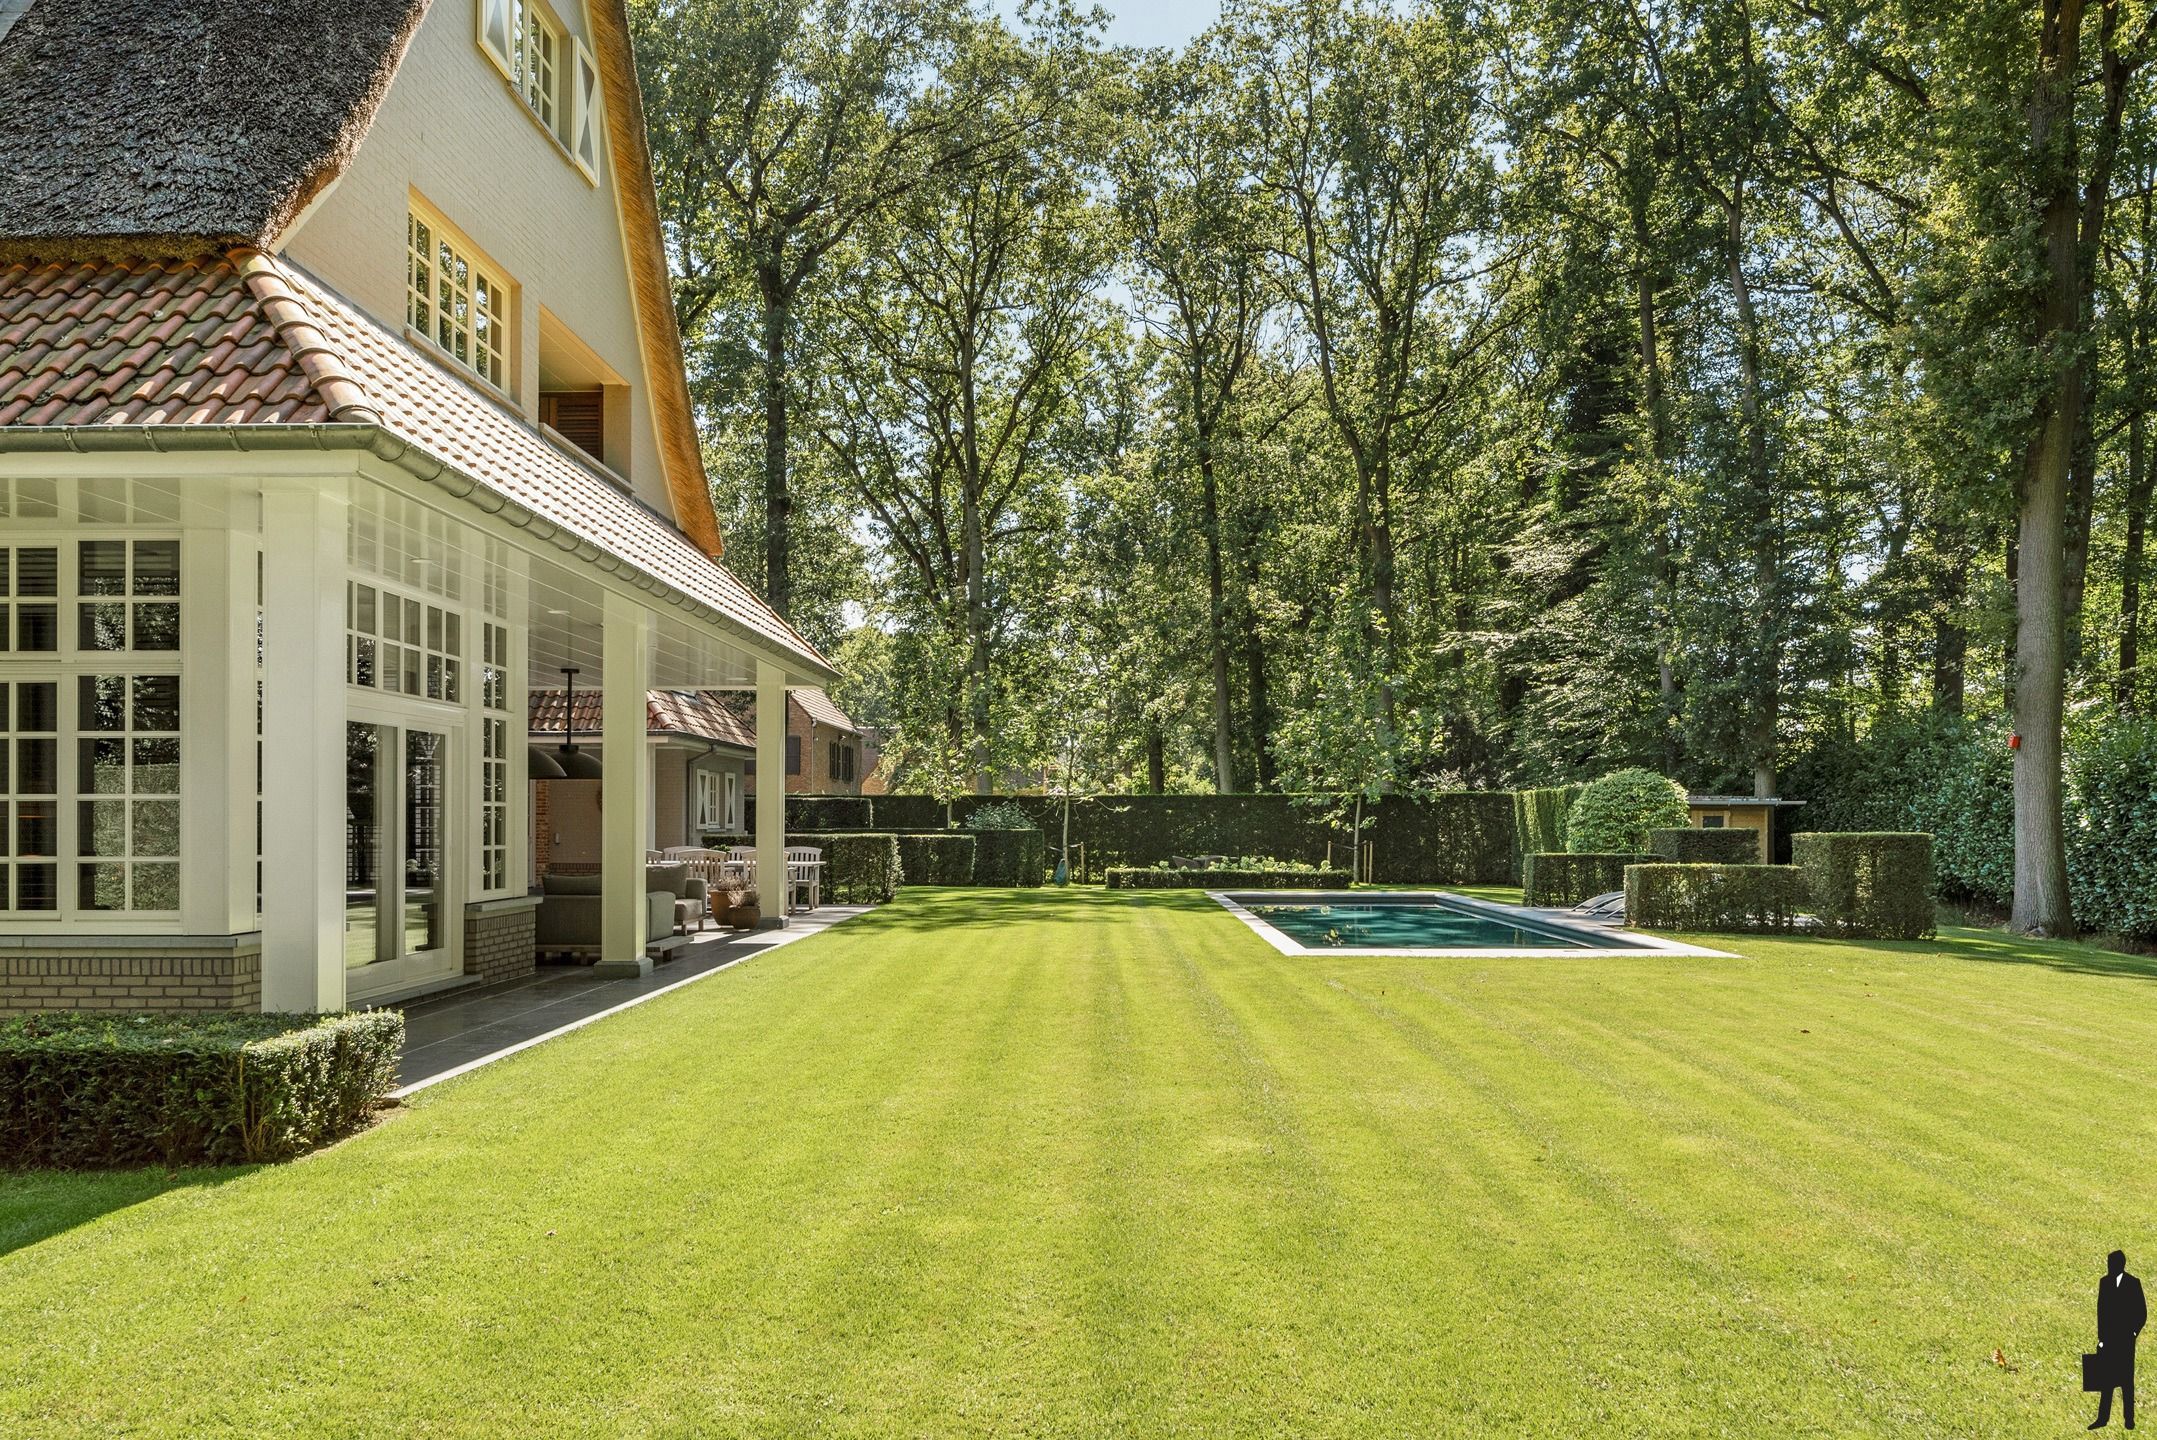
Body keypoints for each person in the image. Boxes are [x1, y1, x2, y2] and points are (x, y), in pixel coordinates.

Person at [2095, 1250, 2147, 1430]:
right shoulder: (2104, 1282)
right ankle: (2103, 1418)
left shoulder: (2133, 1283)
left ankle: (2129, 1419)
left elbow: (2141, 1312)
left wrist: (2133, 1332)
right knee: (2106, 1380)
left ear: (2120, 1264)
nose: (2109, 1267)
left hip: (2125, 1340)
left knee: (2126, 1381)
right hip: (2109, 1340)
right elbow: (2101, 1312)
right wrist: (2101, 1338)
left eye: (2112, 1263)